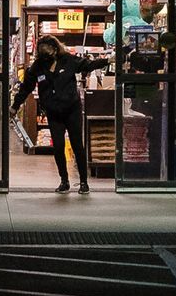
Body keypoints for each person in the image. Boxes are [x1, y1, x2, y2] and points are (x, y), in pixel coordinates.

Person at [10, 36, 109, 193]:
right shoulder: (38, 66)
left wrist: (107, 61)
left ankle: (84, 182)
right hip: (53, 112)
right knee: (58, 146)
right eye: (41, 51)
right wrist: (15, 106)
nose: (44, 54)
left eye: (46, 50)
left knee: (77, 145)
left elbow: (88, 65)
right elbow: (26, 87)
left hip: (72, 109)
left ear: (55, 49)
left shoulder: (68, 60)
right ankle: (64, 180)